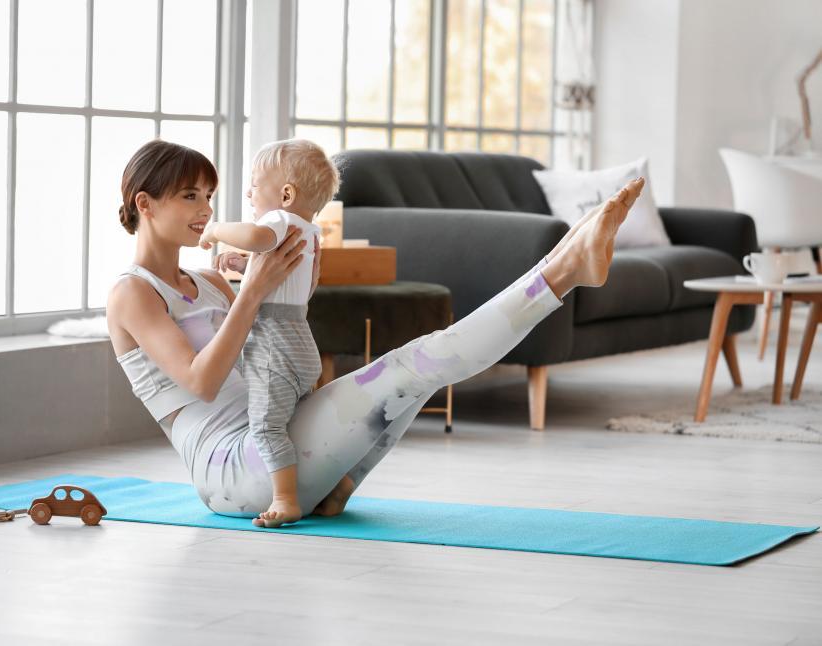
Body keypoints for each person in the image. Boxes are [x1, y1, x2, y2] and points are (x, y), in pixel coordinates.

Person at [107, 138, 645, 528]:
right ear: (145, 204)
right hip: (231, 470)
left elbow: (268, 339)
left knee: (416, 373)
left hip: (274, 442)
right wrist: (250, 291)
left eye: (208, 196)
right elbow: (200, 382)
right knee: (416, 362)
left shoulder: (208, 280)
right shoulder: (132, 293)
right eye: (189, 197)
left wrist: (293, 283)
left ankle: (564, 263)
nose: (205, 210)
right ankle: (562, 269)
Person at [195, 139, 338, 528]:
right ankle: (336, 484)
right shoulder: (309, 233)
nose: (248, 193)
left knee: (264, 425)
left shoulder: (278, 221)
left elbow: (257, 237)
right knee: (303, 424)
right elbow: (290, 282)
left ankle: (286, 499)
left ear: (286, 194)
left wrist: (216, 231)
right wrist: (245, 263)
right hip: (301, 339)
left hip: (274, 341)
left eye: (255, 185)